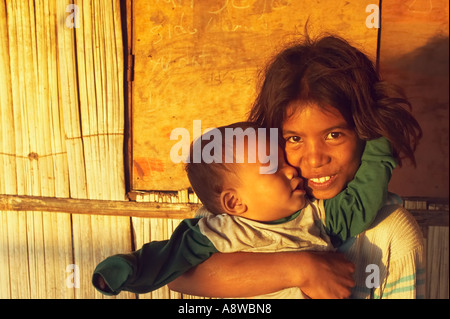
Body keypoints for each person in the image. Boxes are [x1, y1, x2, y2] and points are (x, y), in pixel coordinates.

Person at [168, 35, 425, 299]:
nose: (314, 160)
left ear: (365, 132)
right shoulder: (240, 212)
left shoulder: (391, 234)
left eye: (334, 135)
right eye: (294, 139)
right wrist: (301, 269)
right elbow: (179, 274)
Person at [92, 121, 396, 298]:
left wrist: (380, 139)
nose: (292, 170)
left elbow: (362, 201)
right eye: (275, 168)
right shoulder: (221, 232)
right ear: (235, 202)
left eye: (285, 162)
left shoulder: (317, 214)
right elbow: (164, 258)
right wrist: (123, 270)